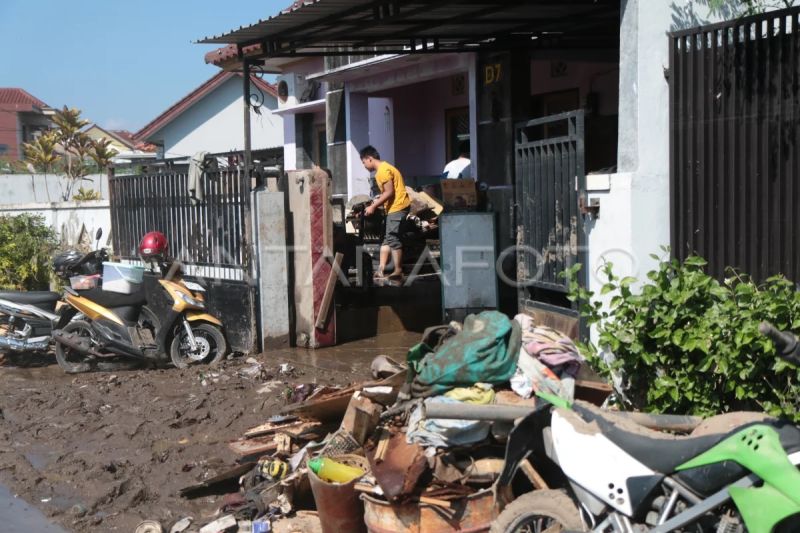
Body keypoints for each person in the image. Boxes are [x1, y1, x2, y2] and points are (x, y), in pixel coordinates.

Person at [360, 145, 411, 282]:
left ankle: (398, 271)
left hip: (398, 207)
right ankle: (381, 269)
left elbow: (389, 192)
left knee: (393, 238)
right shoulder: (385, 168)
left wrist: (373, 206)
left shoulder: (382, 171)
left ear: (369, 159)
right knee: (386, 238)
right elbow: (387, 193)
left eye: (364, 162)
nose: (364, 166)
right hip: (393, 207)